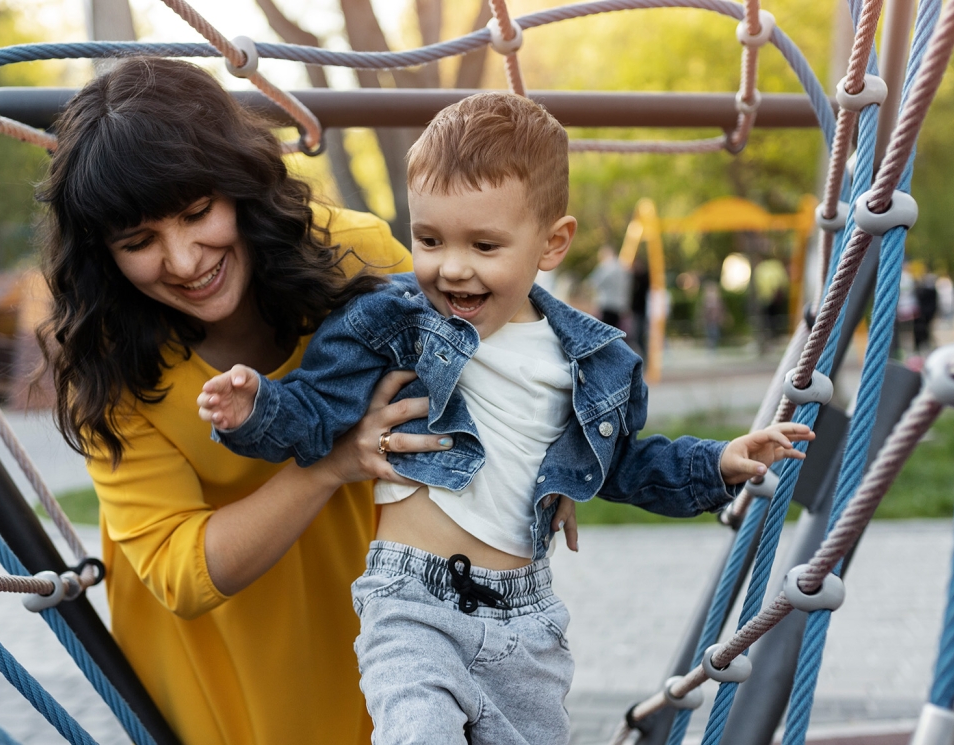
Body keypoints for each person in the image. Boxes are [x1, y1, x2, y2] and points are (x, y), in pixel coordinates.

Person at [199, 93, 814, 744]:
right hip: (412, 604)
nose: (452, 266)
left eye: (484, 244)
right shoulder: (394, 324)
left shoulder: (592, 363)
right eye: (429, 239)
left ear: (553, 242)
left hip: (526, 618)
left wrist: (716, 462)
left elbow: (623, 464)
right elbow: (317, 410)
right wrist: (257, 406)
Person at [37, 58, 450, 745]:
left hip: (378, 622)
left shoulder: (352, 256)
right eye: (139, 242)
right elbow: (181, 570)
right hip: (220, 664)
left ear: (239, 185)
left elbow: (477, 362)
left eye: (198, 213)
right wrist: (329, 464)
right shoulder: (111, 364)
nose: (184, 260)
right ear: (104, 254)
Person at [586, 244, 629, 328]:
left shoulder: (606, 266)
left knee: (604, 328)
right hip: (619, 305)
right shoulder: (622, 267)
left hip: (606, 302)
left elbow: (593, 282)